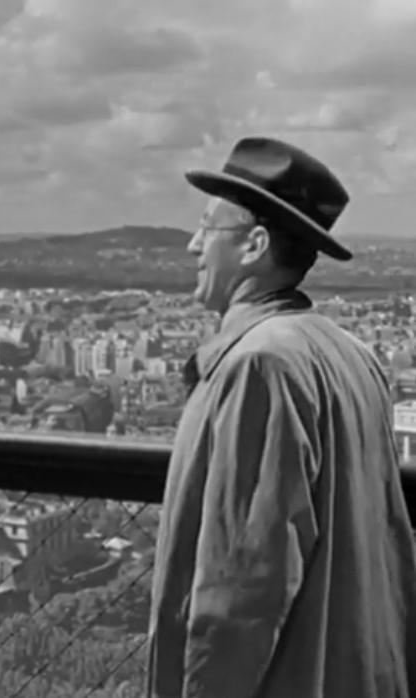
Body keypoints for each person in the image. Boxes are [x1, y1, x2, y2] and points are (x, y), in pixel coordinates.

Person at [147, 137, 416, 698]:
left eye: (207, 228)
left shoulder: (259, 366)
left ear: (255, 244)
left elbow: (241, 591)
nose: (194, 245)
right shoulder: (351, 354)